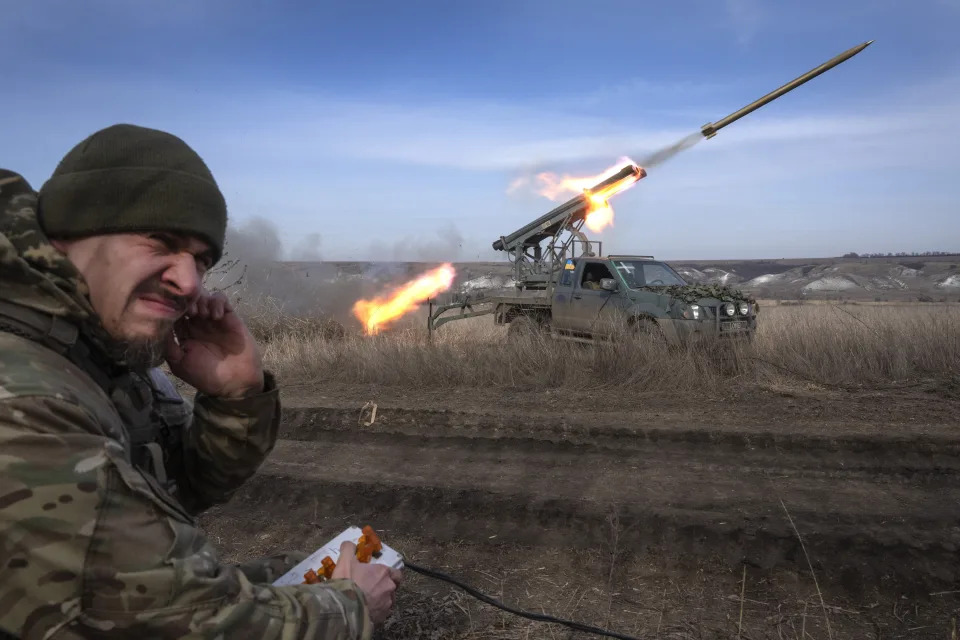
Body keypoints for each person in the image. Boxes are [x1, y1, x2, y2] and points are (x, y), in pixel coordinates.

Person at [0, 124, 401, 640]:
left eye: (201, 260)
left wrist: (235, 395)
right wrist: (350, 607)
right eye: (160, 243)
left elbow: (175, 489)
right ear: (68, 235)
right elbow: (169, 624)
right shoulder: (25, 401)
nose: (189, 283)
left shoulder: (93, 357)